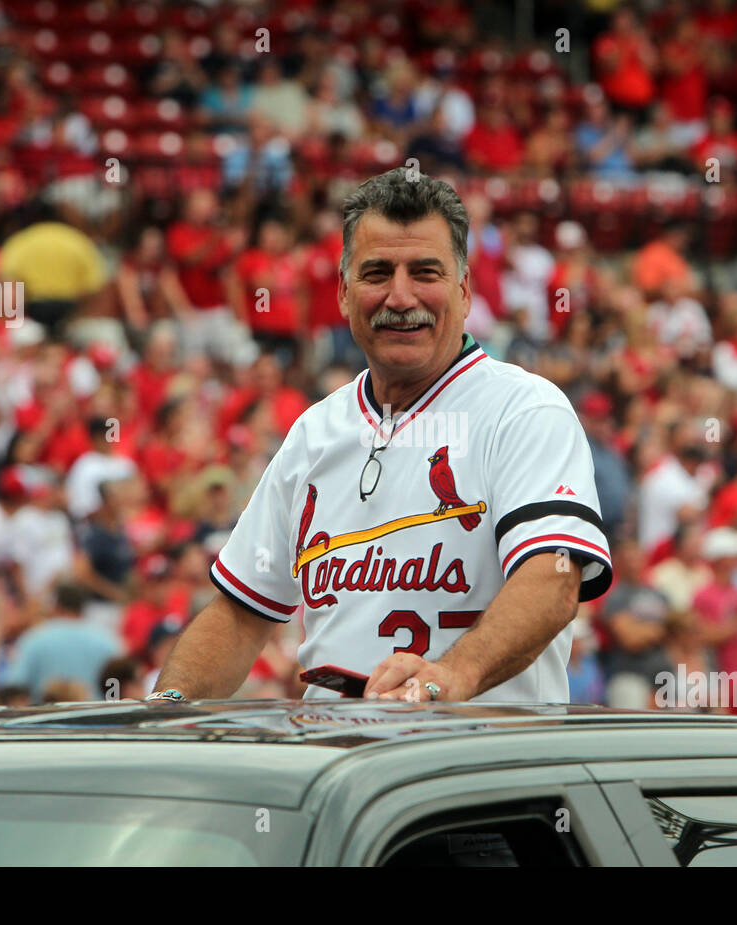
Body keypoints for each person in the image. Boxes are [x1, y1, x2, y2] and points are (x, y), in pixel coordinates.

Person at [153, 169, 613, 704]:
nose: (400, 296)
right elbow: (241, 613)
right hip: (340, 771)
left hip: (486, 770)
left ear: (464, 291)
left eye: (425, 272)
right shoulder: (315, 431)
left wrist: (452, 676)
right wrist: (163, 713)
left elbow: (553, 577)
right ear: (345, 295)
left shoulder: (525, 409)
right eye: (376, 273)